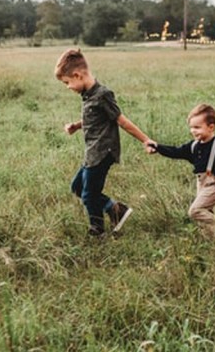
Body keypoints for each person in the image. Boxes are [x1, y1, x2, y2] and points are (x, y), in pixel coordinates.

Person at [55, 48, 151, 240]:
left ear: (77, 75)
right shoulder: (88, 95)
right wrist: (76, 125)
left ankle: (97, 230)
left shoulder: (103, 94)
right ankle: (115, 209)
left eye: (67, 82)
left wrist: (146, 140)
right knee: (77, 188)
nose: (68, 87)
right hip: (92, 153)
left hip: (103, 152)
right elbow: (96, 118)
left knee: (90, 194)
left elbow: (121, 120)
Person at [147, 104, 215, 244]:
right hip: (201, 184)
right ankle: (213, 242)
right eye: (191, 127)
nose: (193, 131)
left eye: (197, 127)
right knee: (206, 216)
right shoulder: (194, 146)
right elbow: (175, 152)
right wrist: (158, 147)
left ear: (211, 127)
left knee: (195, 211)